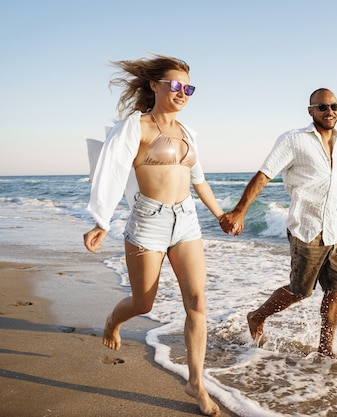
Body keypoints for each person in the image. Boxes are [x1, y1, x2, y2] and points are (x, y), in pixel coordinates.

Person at [83, 54, 225, 416]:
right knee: (143, 303)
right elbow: (112, 170)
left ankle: (197, 381)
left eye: (188, 88)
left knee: (197, 301)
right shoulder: (137, 127)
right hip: (148, 222)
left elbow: (199, 179)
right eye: (175, 85)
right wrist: (102, 219)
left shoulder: (187, 132)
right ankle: (114, 321)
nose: (182, 92)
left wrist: (222, 215)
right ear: (155, 86)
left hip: (186, 220)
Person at [219, 88, 337, 358]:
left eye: (334, 106)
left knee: (336, 291)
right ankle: (257, 316)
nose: (330, 111)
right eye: (322, 107)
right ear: (310, 110)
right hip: (306, 228)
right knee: (300, 291)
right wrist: (240, 211)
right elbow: (264, 174)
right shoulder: (294, 140)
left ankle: (325, 350)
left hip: (334, 230)